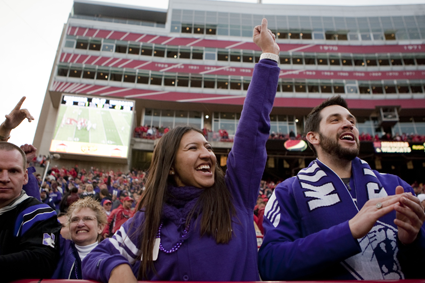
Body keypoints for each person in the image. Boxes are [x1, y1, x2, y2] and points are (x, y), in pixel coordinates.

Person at [83, 18, 280, 282]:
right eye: (193, 147)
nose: (207, 153)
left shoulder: (235, 196)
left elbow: (251, 131)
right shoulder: (148, 217)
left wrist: (269, 56)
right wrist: (116, 268)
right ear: (172, 165)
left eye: (208, 147)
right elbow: (96, 257)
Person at [258, 96, 425, 280]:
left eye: (351, 120)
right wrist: (348, 231)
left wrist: (412, 242)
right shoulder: (288, 191)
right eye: (335, 120)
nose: (348, 124)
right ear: (313, 137)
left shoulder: (397, 186)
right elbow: (270, 264)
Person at [0, 141, 61, 282]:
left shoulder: (38, 212)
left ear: (25, 176)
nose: (4, 178)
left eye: (13, 171)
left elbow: (42, 259)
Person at [52, 197, 107, 279]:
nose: (80, 224)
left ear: (100, 227)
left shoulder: (111, 254)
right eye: (75, 220)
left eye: (87, 219)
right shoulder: (59, 249)